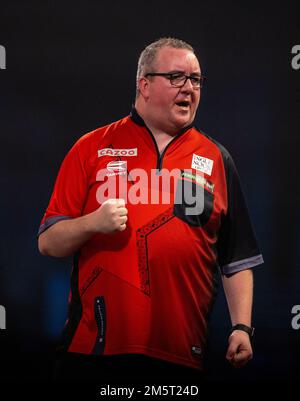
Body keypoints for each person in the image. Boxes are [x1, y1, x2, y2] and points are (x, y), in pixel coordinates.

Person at [38, 37, 263, 382]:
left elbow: (236, 258)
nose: (189, 88)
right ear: (144, 85)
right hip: (94, 352)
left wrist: (242, 327)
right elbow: (49, 243)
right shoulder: (92, 148)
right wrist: (93, 223)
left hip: (181, 356)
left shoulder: (217, 159)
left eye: (196, 79)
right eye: (177, 77)